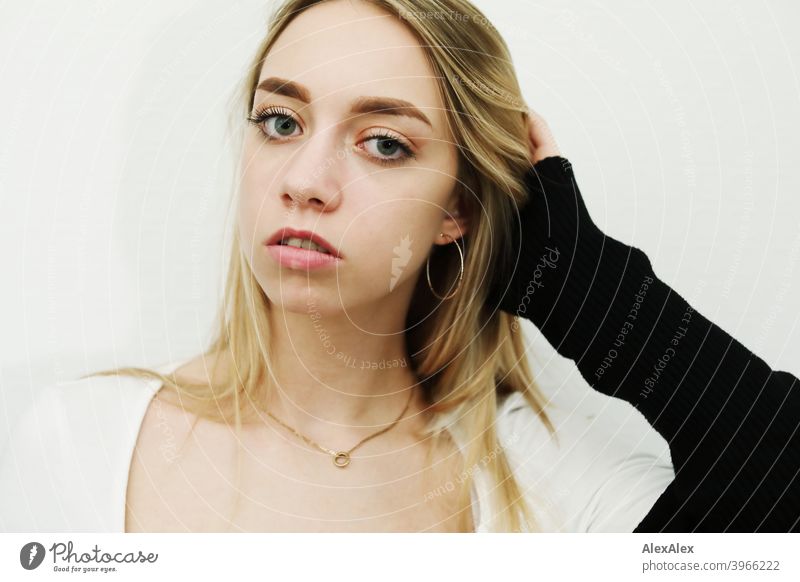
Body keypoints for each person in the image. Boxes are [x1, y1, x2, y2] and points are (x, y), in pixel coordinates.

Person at [0, 0, 796, 533]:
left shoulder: (552, 490)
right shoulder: (80, 439)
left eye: (384, 142)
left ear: (459, 207)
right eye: (280, 120)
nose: (304, 181)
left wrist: (586, 285)